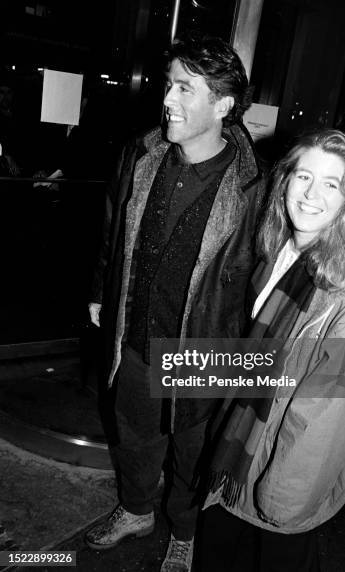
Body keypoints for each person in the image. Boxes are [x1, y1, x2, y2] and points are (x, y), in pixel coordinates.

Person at [84, 32, 265, 572]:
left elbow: (261, 279)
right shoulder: (143, 155)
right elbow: (113, 230)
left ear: (223, 104)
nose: (168, 99)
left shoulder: (253, 187)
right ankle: (136, 508)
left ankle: (185, 530)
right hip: (137, 332)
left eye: (186, 89)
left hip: (203, 345)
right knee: (134, 435)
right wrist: (100, 292)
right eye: (169, 85)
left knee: (192, 453)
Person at [199, 129, 345, 572]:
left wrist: (284, 499)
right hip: (238, 458)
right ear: (284, 181)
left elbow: (340, 409)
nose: (311, 194)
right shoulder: (281, 251)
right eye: (303, 176)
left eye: (331, 184)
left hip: (281, 475)